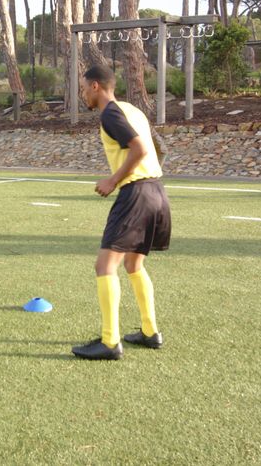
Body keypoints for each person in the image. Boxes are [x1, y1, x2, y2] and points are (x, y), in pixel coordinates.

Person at [72, 65, 171, 361]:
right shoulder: (133, 110)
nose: (81, 93)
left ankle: (110, 341)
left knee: (104, 266)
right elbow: (159, 147)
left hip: (136, 193)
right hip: (157, 190)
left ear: (95, 87)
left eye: (82, 87)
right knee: (133, 265)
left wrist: (113, 180)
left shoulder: (110, 113)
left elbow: (139, 148)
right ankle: (150, 331)